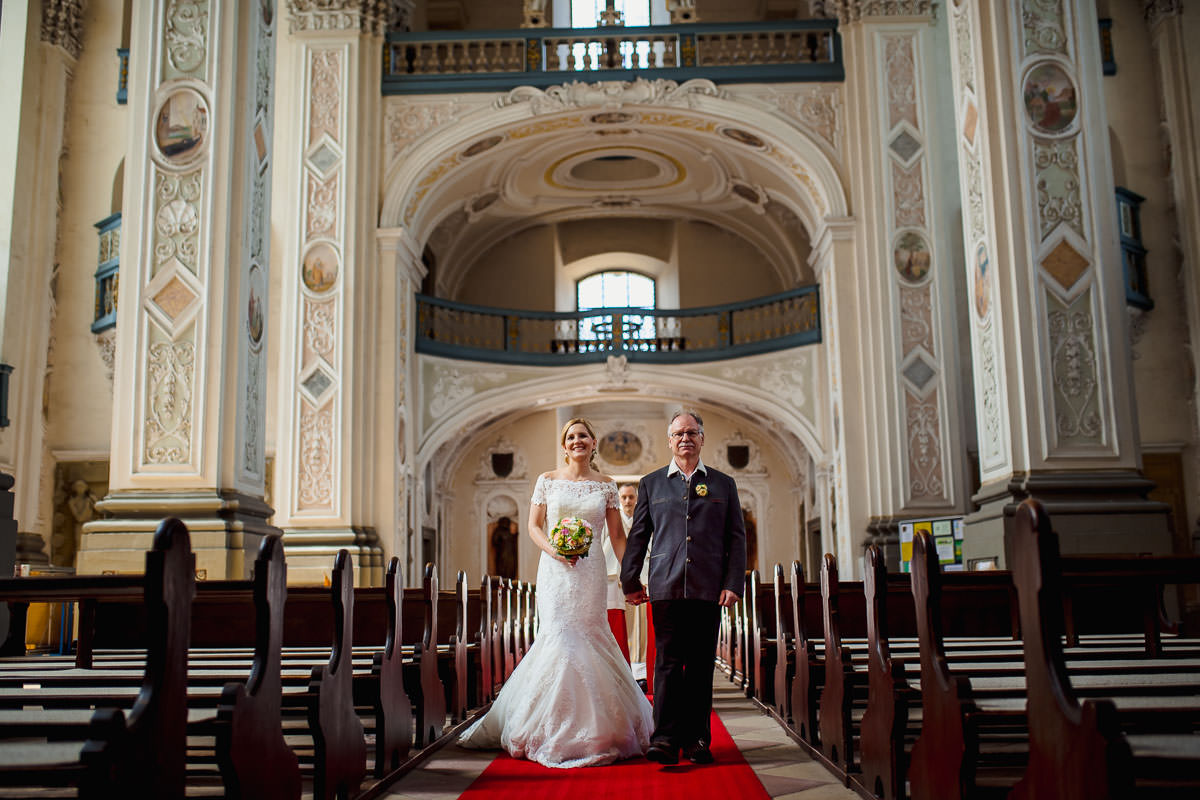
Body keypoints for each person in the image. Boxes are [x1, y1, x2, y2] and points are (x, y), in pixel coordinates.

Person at [460, 418, 653, 768]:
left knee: (592, 636)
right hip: (556, 571)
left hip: (591, 571)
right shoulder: (547, 481)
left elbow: (618, 537)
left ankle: (602, 725)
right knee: (559, 637)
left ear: (594, 443)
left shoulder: (607, 485)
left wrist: (632, 579)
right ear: (564, 446)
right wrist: (555, 551)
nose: (577, 441)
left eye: (583, 436)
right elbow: (534, 526)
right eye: (570, 437)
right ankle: (547, 725)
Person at [621, 410, 746, 766]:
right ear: (669, 441)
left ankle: (696, 740)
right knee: (668, 665)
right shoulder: (652, 484)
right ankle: (664, 739)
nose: (685, 438)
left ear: (702, 438)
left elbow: (736, 539)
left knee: (701, 665)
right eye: (678, 434)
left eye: (692, 432)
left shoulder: (723, 484)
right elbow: (639, 536)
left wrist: (733, 582)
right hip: (666, 588)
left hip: (709, 589)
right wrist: (630, 581)